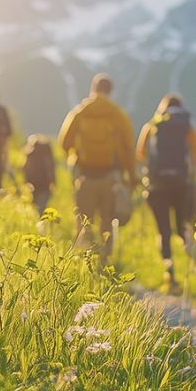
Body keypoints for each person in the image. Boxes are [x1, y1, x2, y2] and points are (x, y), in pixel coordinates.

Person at [58, 73, 136, 257]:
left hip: (84, 176)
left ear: (93, 89)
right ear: (111, 91)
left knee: (84, 221)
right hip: (111, 177)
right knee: (107, 222)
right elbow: (129, 149)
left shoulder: (80, 112)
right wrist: (131, 178)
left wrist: (76, 155)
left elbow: (64, 143)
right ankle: (105, 262)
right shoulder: (117, 114)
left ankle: (84, 262)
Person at [136, 94, 196, 290]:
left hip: (157, 186)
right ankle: (192, 259)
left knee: (163, 231)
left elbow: (140, 153)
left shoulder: (152, 125)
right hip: (182, 184)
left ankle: (169, 270)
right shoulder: (186, 126)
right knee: (181, 226)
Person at [23, 134, 56, 215]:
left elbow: (24, 169)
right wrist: (54, 182)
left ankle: (35, 223)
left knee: (35, 207)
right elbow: (51, 171)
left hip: (32, 186)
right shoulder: (47, 156)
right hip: (44, 186)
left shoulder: (29, 155)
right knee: (41, 208)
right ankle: (41, 224)